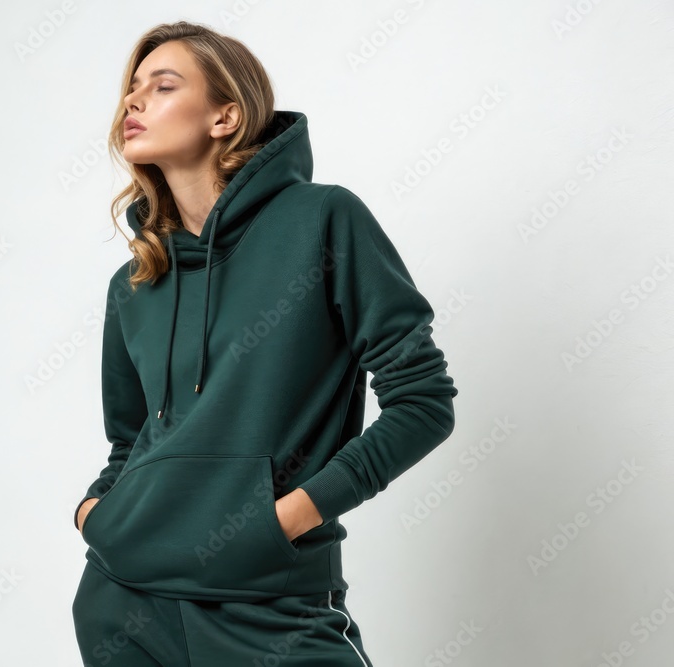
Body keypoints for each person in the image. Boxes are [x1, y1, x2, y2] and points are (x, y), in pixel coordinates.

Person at [71, 20, 458, 666]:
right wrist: (96, 514)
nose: (132, 101)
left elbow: (423, 402)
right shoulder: (136, 281)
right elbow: (129, 439)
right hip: (125, 605)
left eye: (162, 86)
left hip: (270, 605)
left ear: (224, 116)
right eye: (131, 88)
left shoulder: (323, 221)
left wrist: (287, 519)